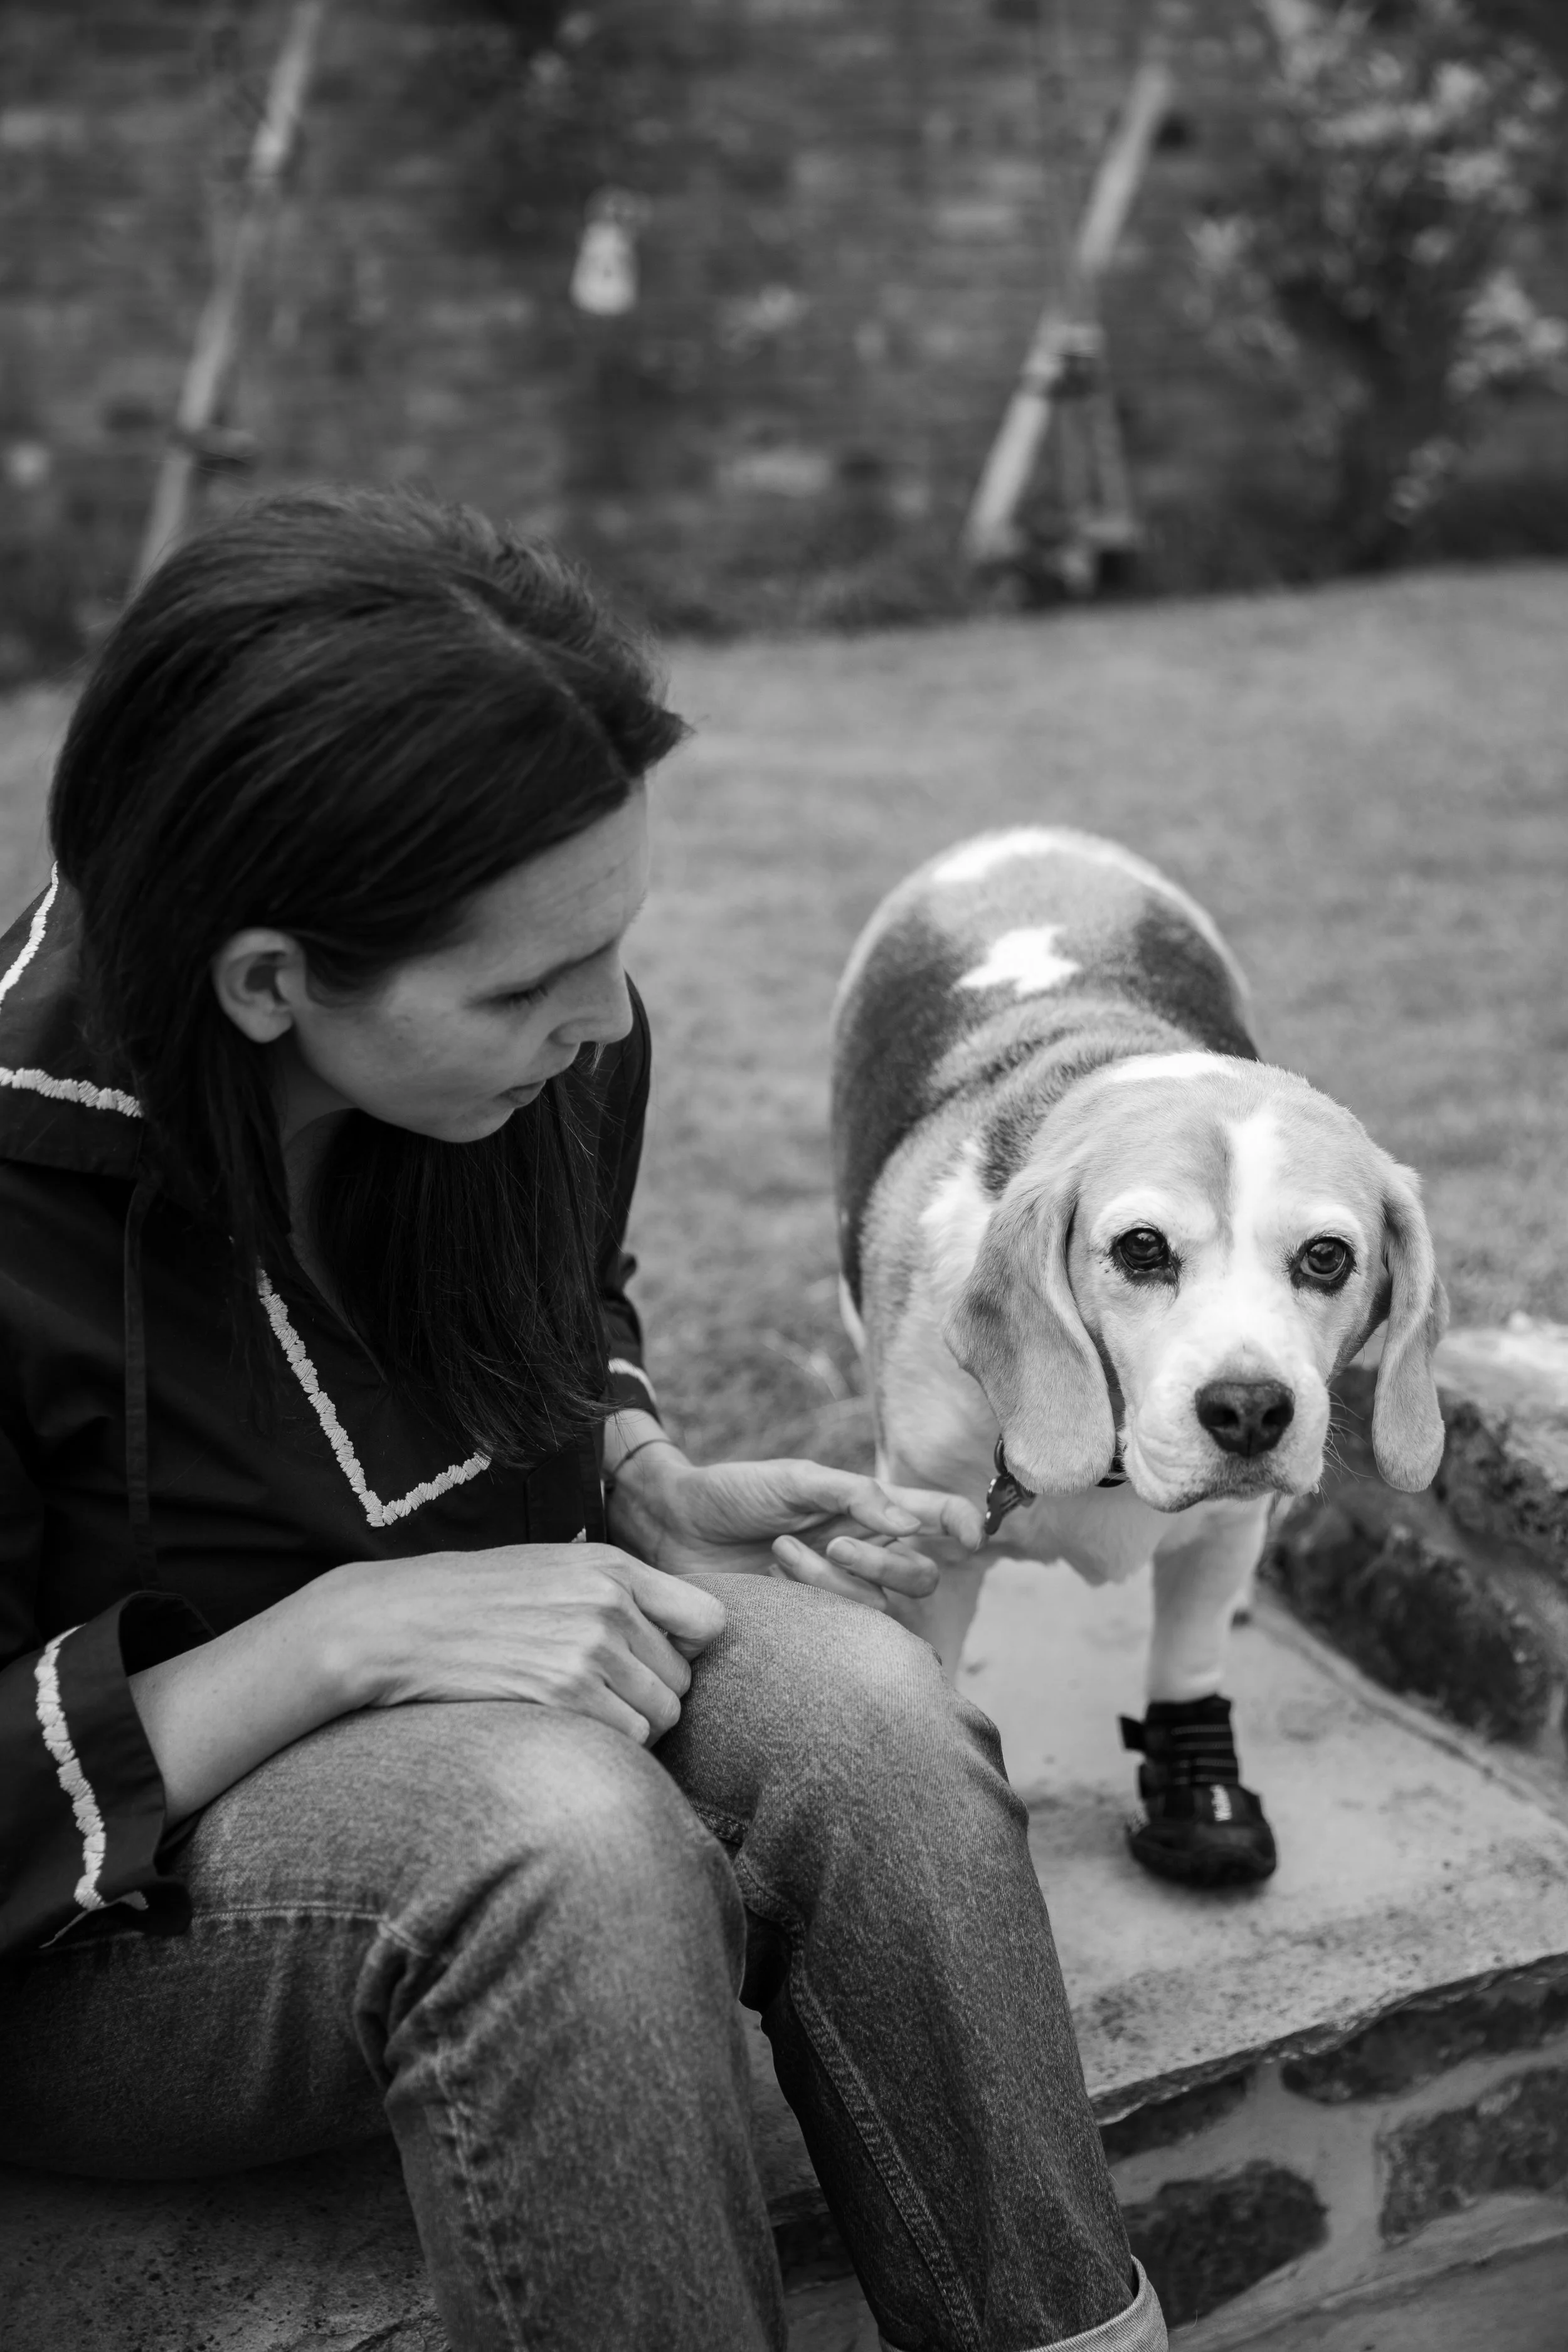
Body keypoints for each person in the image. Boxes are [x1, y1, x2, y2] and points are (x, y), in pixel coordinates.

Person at [0, 487, 1165, 2352]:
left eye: (612, 939)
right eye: (531, 981)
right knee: (561, 1835)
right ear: (271, 979)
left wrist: (630, 1467)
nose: (608, 1016)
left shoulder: (543, 1058)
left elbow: (554, 1304)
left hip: (485, 1711)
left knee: (865, 1712)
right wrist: (337, 1640)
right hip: (99, 1941)